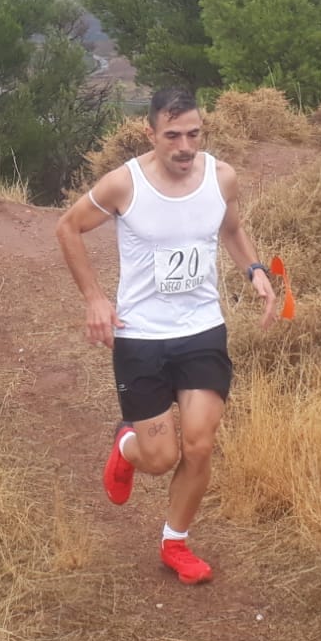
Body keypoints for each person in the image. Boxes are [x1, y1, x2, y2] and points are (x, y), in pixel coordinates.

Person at [54, 87, 278, 585]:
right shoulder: (123, 185)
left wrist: (255, 270)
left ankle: (174, 543)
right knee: (162, 458)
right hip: (141, 338)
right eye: (172, 135)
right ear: (150, 134)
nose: (184, 146)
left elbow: (233, 230)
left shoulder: (221, 177)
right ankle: (129, 445)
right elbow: (68, 227)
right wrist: (94, 298)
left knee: (199, 446)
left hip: (201, 330)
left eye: (193, 134)